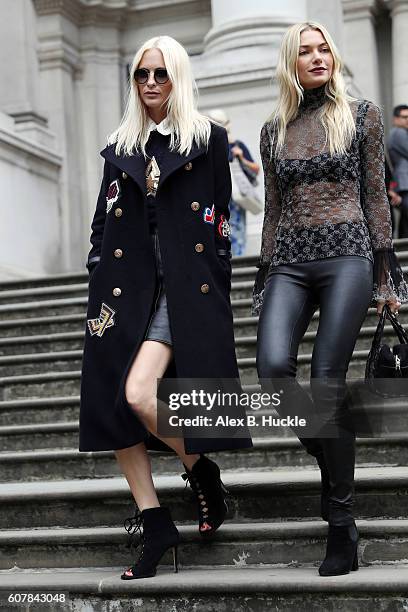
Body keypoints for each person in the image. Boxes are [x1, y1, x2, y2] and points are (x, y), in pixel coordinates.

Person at [80, 35, 252, 580]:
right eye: (141, 75)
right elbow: (102, 221)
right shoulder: (120, 146)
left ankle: (200, 471)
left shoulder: (208, 139)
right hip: (122, 289)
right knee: (115, 402)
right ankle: (155, 523)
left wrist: (213, 281)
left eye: (161, 74)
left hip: (182, 286)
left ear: (178, 76)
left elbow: (221, 223)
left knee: (138, 393)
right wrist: (96, 268)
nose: (151, 84)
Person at [253, 22, 408, 577]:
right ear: (290, 63)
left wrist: (386, 271)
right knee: (272, 369)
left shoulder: (361, 116)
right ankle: (330, 450)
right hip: (291, 261)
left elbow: (375, 195)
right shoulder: (274, 129)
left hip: (349, 256)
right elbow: (272, 207)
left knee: (325, 382)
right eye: (306, 51)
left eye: (324, 49)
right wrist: (265, 271)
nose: (317, 58)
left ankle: (340, 522)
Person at [207, 109, 260, 255]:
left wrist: (241, 158)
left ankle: (237, 254)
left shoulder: (237, 145)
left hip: (237, 195)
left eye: (224, 122)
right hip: (215, 194)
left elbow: (256, 169)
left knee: (237, 225)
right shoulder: (207, 146)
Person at [387, 105, 408, 238]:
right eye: (405, 117)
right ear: (396, 119)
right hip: (405, 183)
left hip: (403, 184)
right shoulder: (398, 132)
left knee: (405, 224)